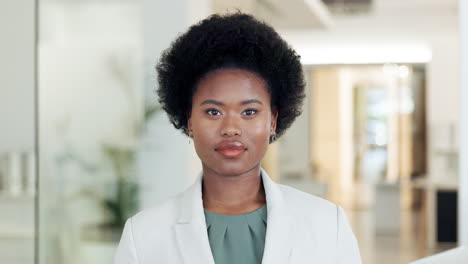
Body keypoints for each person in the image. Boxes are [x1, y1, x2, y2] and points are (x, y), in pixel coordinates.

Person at [114, 12, 361, 264]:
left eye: (249, 112)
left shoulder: (328, 224)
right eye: (213, 111)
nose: (231, 128)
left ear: (272, 121)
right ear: (189, 120)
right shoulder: (143, 235)